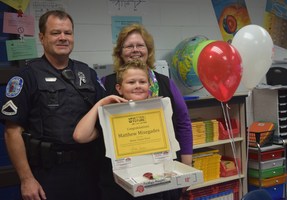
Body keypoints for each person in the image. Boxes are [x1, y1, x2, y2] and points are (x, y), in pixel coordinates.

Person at [0, 10, 104, 200]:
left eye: (68, 33)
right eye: (56, 33)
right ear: (42, 37)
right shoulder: (27, 76)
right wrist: (26, 179)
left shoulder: (86, 73)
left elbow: (106, 116)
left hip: (88, 170)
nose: (63, 38)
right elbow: (12, 131)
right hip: (47, 173)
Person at [100, 23, 193, 200]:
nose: (135, 50)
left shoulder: (165, 83)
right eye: (129, 46)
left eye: (140, 45)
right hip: (122, 174)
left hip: (163, 170)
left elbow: (183, 123)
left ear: (148, 50)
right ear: (120, 52)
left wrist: (186, 164)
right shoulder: (106, 83)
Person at [73, 59, 164, 200]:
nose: (138, 86)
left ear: (149, 85)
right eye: (131, 82)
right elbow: (80, 136)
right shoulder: (110, 114)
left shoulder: (157, 112)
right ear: (119, 88)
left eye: (142, 82)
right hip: (117, 188)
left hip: (151, 185)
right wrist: (101, 103)